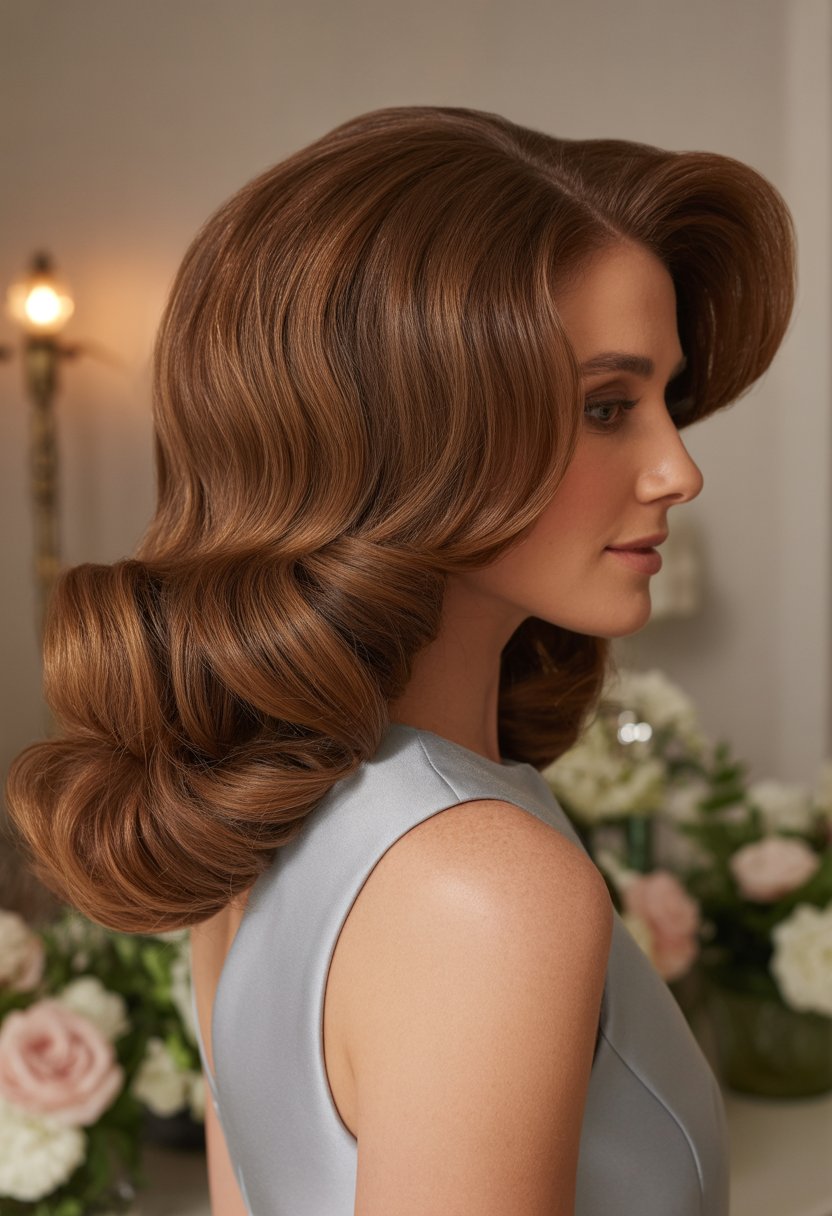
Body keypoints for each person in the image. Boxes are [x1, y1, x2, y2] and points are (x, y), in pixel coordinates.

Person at [6, 105, 795, 1215]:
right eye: (607, 406)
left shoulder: (259, 802)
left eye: (667, 400)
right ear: (413, 433)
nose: (678, 469)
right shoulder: (483, 888)